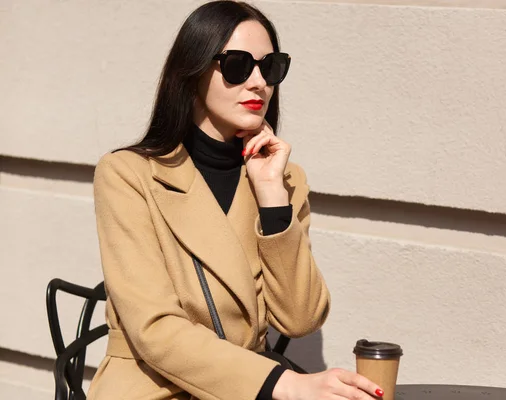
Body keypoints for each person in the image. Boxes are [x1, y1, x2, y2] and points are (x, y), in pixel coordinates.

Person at [88, 1, 383, 399]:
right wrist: (286, 384)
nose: (259, 82)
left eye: (271, 66)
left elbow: (301, 318)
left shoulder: (285, 178)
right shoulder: (129, 174)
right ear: (192, 72)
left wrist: (273, 198)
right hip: (155, 387)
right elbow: (154, 329)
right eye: (238, 66)